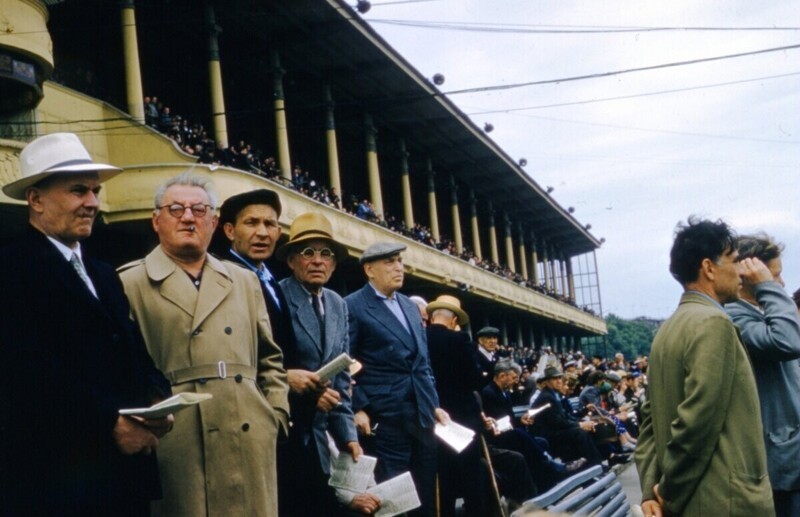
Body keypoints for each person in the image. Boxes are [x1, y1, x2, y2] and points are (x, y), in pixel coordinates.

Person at [0, 132, 173, 515]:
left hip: (123, 476)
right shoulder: (10, 267)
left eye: (95, 191)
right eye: (79, 191)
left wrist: (159, 396)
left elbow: (131, 348)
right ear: (35, 199)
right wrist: (109, 422)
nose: (93, 203)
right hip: (55, 475)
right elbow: (25, 369)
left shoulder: (103, 272)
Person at [118, 173, 289, 516]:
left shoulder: (244, 280)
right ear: (156, 220)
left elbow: (271, 359)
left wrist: (275, 415)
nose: (187, 217)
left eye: (199, 209)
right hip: (177, 436)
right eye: (176, 208)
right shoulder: (128, 281)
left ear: (213, 222)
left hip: (247, 432)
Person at [635, 218, 774, 517]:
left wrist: (651, 490)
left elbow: (648, 420)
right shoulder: (714, 323)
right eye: (734, 261)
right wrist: (668, 491)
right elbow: (697, 421)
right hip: (725, 501)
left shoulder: (667, 330)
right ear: (709, 267)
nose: (739, 272)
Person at [345, 242, 449, 516]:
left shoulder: (409, 306)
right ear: (369, 269)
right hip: (386, 418)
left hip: (422, 416)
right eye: (390, 262)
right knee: (396, 497)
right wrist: (357, 406)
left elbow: (423, 363)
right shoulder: (353, 306)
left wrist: (434, 404)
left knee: (425, 492)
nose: (399, 267)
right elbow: (345, 362)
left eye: (400, 261)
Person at [274, 212, 361, 515]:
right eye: (308, 252)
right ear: (291, 260)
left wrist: (348, 436)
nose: (317, 261)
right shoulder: (275, 296)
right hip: (286, 436)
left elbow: (341, 379)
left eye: (326, 254)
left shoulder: (338, 303)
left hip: (323, 439)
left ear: (334, 264)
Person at [725, 234, 800, 517]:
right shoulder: (735, 317)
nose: (780, 283)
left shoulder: (757, 313)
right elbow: (789, 342)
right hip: (780, 461)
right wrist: (767, 286)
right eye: (774, 275)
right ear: (749, 275)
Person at [425, 294, 486, 516]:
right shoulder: (460, 341)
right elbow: (475, 380)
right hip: (463, 417)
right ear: (453, 321)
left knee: (444, 474)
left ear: (431, 318)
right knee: (471, 475)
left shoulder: (420, 338)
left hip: (433, 414)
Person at [217, 189, 295, 355]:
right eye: (251, 222)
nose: (262, 233)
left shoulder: (271, 279)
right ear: (230, 231)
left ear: (278, 232)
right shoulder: (220, 278)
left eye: (269, 224)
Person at [530, 366, 604, 468]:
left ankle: (595, 464)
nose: (559, 381)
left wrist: (581, 423)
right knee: (580, 432)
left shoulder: (553, 394)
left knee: (592, 427)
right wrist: (580, 424)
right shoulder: (547, 397)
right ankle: (594, 466)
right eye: (555, 379)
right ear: (547, 382)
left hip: (556, 429)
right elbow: (557, 422)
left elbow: (564, 417)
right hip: (548, 435)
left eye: (560, 378)